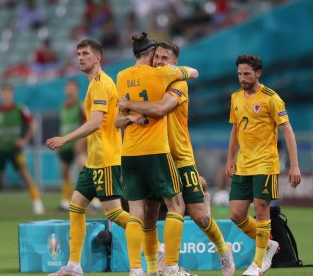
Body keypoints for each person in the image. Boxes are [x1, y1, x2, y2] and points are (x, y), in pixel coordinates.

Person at [117, 41, 235, 276]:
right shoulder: (152, 81)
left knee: (199, 215)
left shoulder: (179, 84)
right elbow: (121, 119)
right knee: (149, 214)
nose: (159, 61)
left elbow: (162, 107)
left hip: (180, 158)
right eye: (157, 57)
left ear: (175, 63)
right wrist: (131, 116)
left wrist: (131, 106)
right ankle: (159, 268)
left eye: (165, 58)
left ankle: (224, 251)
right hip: (156, 157)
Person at [115, 32, 198, 276]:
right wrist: (178, 68)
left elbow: (118, 121)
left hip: (128, 153)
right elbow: (193, 73)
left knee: (135, 212)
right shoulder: (162, 74)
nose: (159, 60)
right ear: (151, 54)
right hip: (155, 151)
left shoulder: (120, 76)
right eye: (157, 55)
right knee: (176, 205)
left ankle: (136, 269)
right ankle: (171, 266)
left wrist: (130, 113)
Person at [46, 39, 130, 276]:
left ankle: (156, 246)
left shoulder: (102, 84)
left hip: (106, 159)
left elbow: (95, 123)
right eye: (78, 53)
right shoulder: (93, 84)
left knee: (115, 214)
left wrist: (65, 139)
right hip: (93, 161)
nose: (80, 57)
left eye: (85, 54)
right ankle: (74, 265)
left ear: (97, 58)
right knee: (76, 207)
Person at [225, 54, 301, 275]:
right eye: (240, 74)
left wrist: (294, 166)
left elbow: (288, 131)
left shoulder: (272, 98)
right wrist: (230, 158)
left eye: (247, 73)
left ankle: (258, 264)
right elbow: (235, 130)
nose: (242, 78)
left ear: (258, 73)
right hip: (244, 164)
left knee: (261, 210)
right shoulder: (235, 98)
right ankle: (268, 244)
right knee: (236, 215)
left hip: (265, 164)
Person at [0, 83, 44, 215]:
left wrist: (25, 140)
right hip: (0, 149)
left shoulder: (20, 109)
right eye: (4, 92)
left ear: (12, 94)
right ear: (1, 95)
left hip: (15, 149)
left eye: (8, 92)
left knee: (25, 174)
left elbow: (33, 124)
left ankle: (37, 201)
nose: (6, 95)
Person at [57, 79, 86, 211]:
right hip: (65, 145)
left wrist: (81, 142)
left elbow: (86, 123)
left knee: (85, 170)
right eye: (68, 87)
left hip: (78, 144)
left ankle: (94, 201)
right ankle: (65, 200)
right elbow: (63, 126)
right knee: (64, 173)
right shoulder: (63, 107)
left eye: (72, 87)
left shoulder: (80, 106)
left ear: (77, 90)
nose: (70, 90)